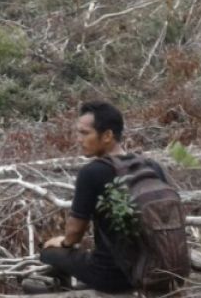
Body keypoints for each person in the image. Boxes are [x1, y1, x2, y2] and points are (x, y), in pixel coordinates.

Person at [35, 101, 166, 293]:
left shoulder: (93, 172)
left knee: (49, 252)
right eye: (78, 132)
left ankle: (60, 290)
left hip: (113, 277)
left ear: (107, 136)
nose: (79, 139)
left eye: (85, 133)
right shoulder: (151, 166)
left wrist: (62, 243)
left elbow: (75, 233)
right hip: (155, 269)